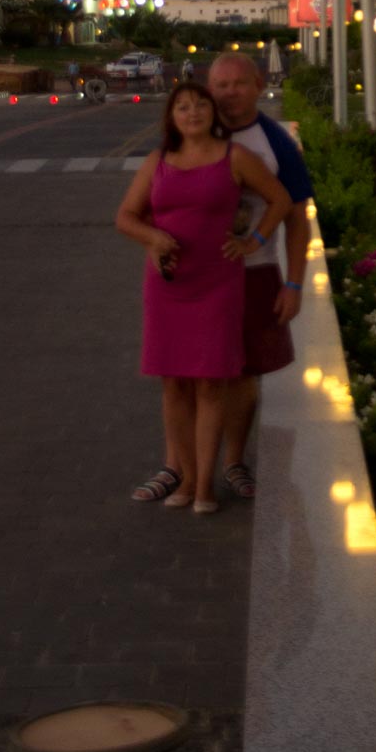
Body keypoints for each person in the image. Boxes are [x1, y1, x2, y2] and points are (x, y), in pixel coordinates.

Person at [116, 81, 290, 513]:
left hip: (217, 284)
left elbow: (280, 200)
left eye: (200, 105)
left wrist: (253, 241)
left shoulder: (235, 157)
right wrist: (153, 238)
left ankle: (206, 488)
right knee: (174, 382)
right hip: (168, 285)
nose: (192, 112)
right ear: (171, 117)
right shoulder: (158, 161)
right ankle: (188, 480)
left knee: (212, 382)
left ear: (212, 113)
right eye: (183, 107)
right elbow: (125, 216)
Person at [206, 52, 313, 499]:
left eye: (238, 83)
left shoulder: (275, 142)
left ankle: (234, 461)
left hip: (255, 272)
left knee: (244, 374)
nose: (229, 92)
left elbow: (297, 219)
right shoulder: (194, 132)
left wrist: (294, 283)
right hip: (199, 278)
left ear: (258, 84)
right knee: (193, 375)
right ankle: (188, 468)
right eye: (220, 85)